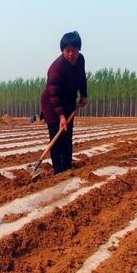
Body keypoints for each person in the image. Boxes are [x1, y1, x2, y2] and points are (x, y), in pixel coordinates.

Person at [39, 31, 88, 174]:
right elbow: (53, 94)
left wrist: (84, 95)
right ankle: (58, 171)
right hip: (52, 105)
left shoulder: (80, 60)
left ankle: (67, 167)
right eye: (68, 51)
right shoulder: (57, 68)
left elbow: (81, 78)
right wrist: (61, 116)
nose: (71, 54)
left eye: (74, 50)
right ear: (63, 51)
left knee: (67, 136)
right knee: (57, 137)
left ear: (79, 49)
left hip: (69, 101)